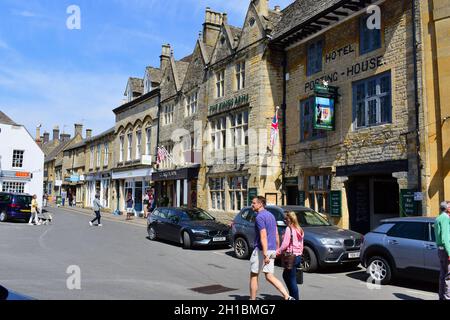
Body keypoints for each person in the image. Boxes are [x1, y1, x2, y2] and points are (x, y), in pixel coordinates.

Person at [249, 196, 292, 300]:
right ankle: (287, 296)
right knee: (269, 276)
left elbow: (263, 236)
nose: (252, 205)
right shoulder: (271, 215)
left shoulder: (259, 217)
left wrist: (265, 254)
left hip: (261, 250)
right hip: (271, 248)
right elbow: (276, 233)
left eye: (254, 203)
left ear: (260, 204)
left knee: (254, 275)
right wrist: (277, 248)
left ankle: (252, 299)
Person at [277, 211, 304, 300]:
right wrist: (300, 252)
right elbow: (301, 244)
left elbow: (285, 244)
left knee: (291, 279)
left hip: (291, 256)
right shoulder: (299, 229)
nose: (285, 221)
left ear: (290, 219)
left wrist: (279, 251)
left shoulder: (289, 229)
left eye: (286, 219)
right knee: (287, 276)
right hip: (298, 256)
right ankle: (291, 296)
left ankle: (294, 298)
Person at [434, 201, 450, 300]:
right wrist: (449, 252)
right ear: (447, 208)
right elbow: (445, 238)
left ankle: (441, 296)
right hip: (446, 250)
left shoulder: (438, 218)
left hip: (440, 249)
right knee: (448, 276)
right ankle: (447, 297)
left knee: (442, 275)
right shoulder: (445, 218)